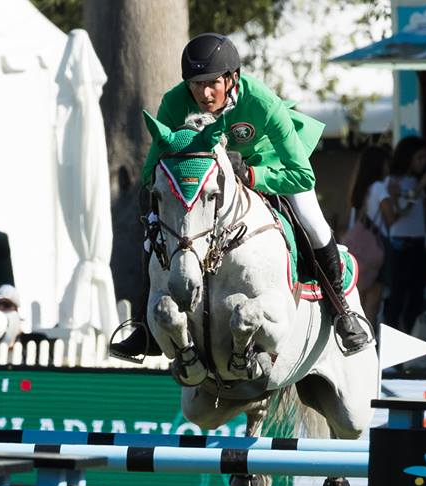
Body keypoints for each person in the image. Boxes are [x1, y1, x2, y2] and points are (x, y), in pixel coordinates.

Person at [110, 32, 369, 361]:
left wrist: (251, 175)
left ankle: (342, 311)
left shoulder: (260, 102)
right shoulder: (174, 102)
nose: (204, 93)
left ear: (232, 78)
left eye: (212, 83)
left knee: (312, 223)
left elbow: (303, 175)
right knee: (155, 229)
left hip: (269, 166)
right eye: (196, 84)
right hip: (208, 180)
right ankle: (146, 325)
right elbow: (150, 170)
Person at [381, 136, 426, 335]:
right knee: (398, 294)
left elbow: (423, 212)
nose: (423, 162)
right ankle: (392, 335)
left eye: (425, 158)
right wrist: (420, 188)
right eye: (419, 157)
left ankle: (410, 333)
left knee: (417, 294)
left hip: (419, 241)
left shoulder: (417, 181)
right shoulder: (393, 182)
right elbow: (401, 210)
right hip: (400, 243)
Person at [343, 146, 391, 329]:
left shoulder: (359, 188)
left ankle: (358, 332)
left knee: (359, 297)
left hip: (358, 246)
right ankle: (369, 335)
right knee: (374, 297)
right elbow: (391, 218)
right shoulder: (379, 187)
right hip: (376, 246)